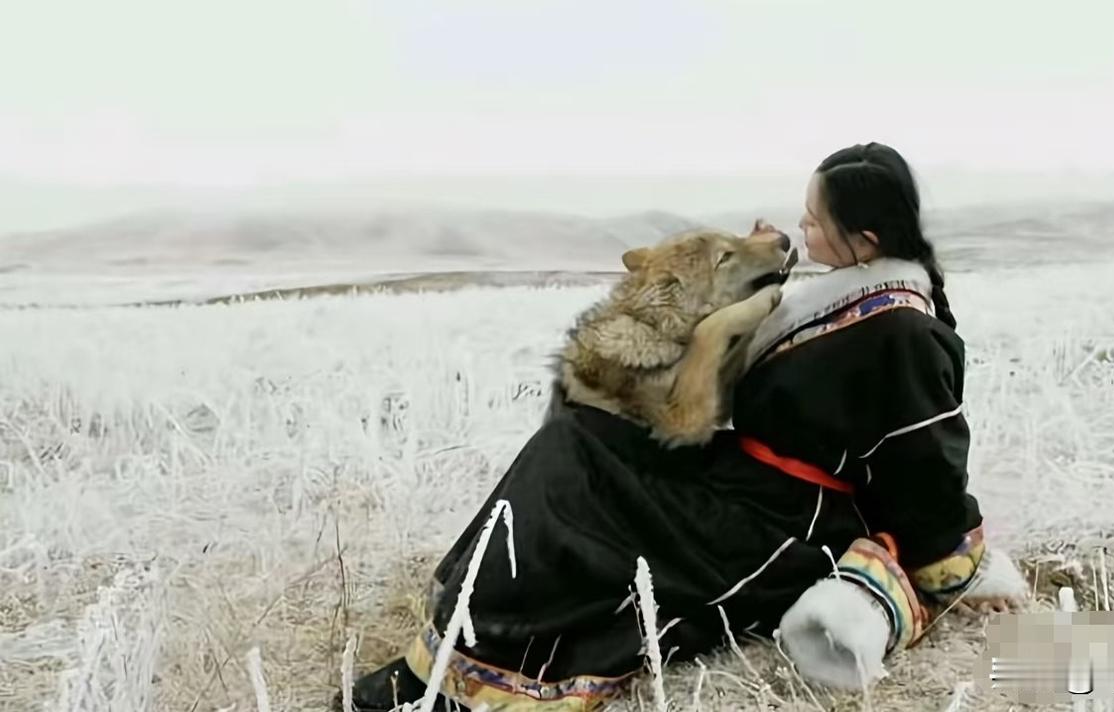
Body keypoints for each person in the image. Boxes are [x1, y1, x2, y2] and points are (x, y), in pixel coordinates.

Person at [338, 143, 1028, 712]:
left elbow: (925, 462)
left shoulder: (903, 330)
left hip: (790, 522)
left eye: (815, 221)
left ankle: (484, 674)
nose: (802, 230)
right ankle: (460, 632)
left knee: (585, 496)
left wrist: (956, 572)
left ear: (865, 240)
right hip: (743, 475)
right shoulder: (825, 298)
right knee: (575, 440)